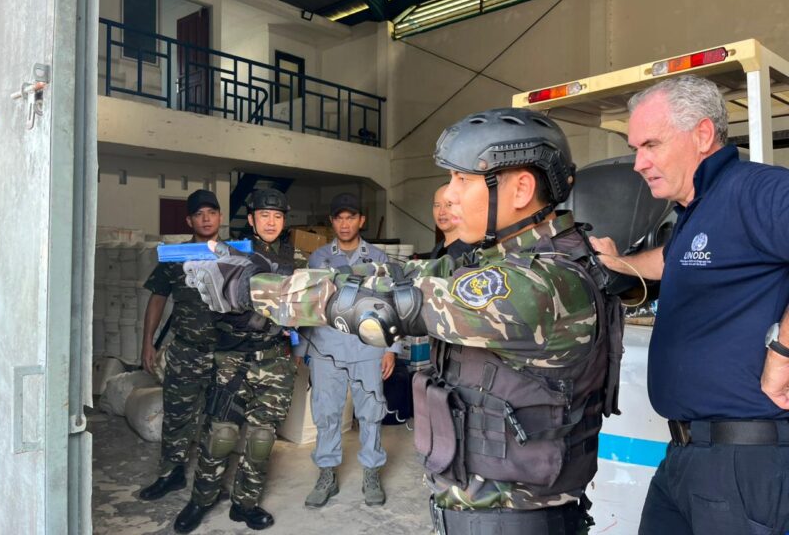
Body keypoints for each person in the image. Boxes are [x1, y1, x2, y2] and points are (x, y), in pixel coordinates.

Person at [184, 108, 621, 534]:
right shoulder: (505, 262)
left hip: (516, 519)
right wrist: (273, 274)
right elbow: (391, 277)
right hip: (486, 510)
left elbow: (384, 307)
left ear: (521, 189)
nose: (448, 195)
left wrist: (248, 290)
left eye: (462, 179)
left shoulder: (538, 283)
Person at [589, 75, 789, 534]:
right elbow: (670, 260)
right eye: (635, 148)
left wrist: (783, 352)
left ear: (702, 135)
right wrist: (616, 262)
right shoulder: (696, 212)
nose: (639, 163)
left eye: (651, 144)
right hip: (685, 453)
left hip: (746, 459)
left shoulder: (756, 190)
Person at [174, 189, 300, 533]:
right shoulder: (230, 253)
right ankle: (201, 500)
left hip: (274, 362)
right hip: (233, 358)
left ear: (284, 221)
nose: (271, 222)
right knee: (221, 436)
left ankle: (245, 504)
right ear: (251, 220)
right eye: (264, 216)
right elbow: (209, 301)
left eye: (277, 216)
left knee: (261, 441)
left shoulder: (295, 259)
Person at [297, 192, 401, 508]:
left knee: (371, 411)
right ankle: (327, 474)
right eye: (339, 218)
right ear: (332, 222)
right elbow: (309, 306)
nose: (345, 223)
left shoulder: (379, 260)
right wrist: (303, 348)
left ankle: (371, 472)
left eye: (351, 217)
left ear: (361, 221)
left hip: (367, 346)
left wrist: (391, 348)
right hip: (326, 347)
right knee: (326, 412)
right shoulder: (318, 258)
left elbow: (390, 305)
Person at [138, 189, 222, 501]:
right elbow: (157, 298)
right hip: (186, 350)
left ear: (220, 217)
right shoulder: (174, 256)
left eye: (211, 212)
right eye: (199, 213)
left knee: (220, 420)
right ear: (189, 220)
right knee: (177, 416)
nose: (206, 218)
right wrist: (149, 343)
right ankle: (170, 475)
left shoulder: (234, 255)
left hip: (225, 354)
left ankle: (212, 482)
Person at [429, 183, 474, 260]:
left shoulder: (471, 251)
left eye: (449, 205)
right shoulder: (438, 249)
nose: (441, 212)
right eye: (437, 205)